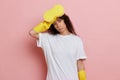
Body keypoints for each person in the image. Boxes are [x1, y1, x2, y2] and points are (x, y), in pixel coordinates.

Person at [29, 4, 87, 80]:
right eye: (55, 24)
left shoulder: (76, 40)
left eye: (59, 21)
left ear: (65, 21)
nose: (58, 25)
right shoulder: (48, 39)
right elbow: (32, 33)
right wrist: (47, 23)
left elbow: (80, 65)